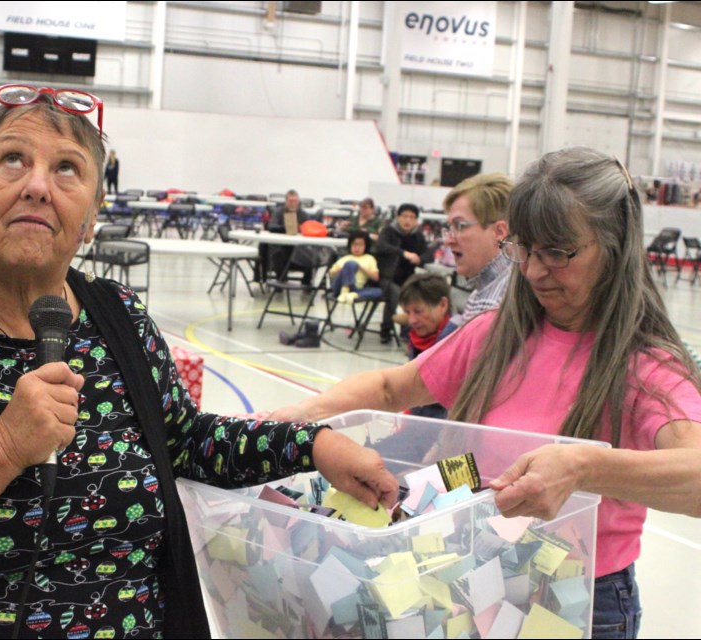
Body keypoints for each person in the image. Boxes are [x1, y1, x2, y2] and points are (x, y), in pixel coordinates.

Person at [0, 86, 399, 639]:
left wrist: (313, 445)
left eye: (66, 169)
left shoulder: (117, 313)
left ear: (90, 218)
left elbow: (186, 442)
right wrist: (0, 450)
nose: (37, 185)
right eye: (12, 160)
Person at [271, 147, 701, 639]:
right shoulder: (496, 334)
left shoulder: (647, 365)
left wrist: (585, 467)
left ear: (615, 245)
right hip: (474, 580)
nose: (536, 271)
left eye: (558, 253)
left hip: (582, 600)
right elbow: (391, 386)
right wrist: (293, 417)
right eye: (525, 250)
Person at [441, 172, 513, 332]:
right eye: (449, 228)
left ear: (499, 232)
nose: (448, 240)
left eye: (460, 226)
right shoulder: (479, 293)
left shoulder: (512, 298)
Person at [373, 203, 432, 343]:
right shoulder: (388, 231)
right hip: (385, 276)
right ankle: (386, 329)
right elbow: (381, 246)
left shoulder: (417, 235)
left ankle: (410, 330)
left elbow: (429, 254)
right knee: (395, 292)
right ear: (398, 217)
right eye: (405, 216)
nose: (408, 221)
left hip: (407, 278)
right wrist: (403, 253)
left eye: (412, 218)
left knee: (419, 293)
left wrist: (420, 258)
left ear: (416, 221)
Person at [398, 273, 451, 419]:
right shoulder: (415, 337)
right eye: (408, 312)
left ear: (443, 305)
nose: (412, 320)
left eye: (418, 311)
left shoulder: (455, 341)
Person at [264, 189, 316, 284]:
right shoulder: (279, 212)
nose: (293, 204)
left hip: (299, 249)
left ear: (298, 202)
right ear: (286, 201)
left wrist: (301, 229)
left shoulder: (303, 215)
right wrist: (286, 228)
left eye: (295, 201)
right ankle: (281, 282)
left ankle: (306, 283)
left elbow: (310, 228)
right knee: (276, 254)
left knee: (311, 254)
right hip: (282, 248)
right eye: (290, 201)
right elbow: (271, 226)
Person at [328, 230, 381, 303]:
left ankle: (353, 295)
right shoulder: (345, 258)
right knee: (351, 264)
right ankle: (345, 291)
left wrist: (360, 267)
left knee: (378, 291)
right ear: (350, 245)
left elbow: (376, 278)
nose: (357, 248)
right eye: (354, 244)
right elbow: (331, 274)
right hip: (339, 287)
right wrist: (342, 270)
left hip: (356, 288)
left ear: (366, 246)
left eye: (360, 245)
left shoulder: (370, 258)